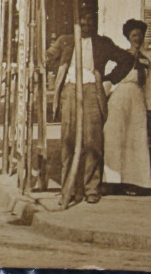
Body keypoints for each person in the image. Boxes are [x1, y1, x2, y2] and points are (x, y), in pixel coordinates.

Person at [44, 11, 134, 203]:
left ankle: (91, 188)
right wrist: (57, 70)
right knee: (69, 140)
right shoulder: (65, 41)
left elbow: (127, 59)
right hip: (70, 91)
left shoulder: (102, 43)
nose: (85, 28)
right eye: (81, 24)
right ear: (75, 24)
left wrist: (108, 79)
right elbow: (48, 58)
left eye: (89, 24)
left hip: (92, 91)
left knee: (92, 141)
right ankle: (69, 187)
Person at [103, 18, 151, 193]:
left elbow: (148, 86)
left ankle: (135, 182)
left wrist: (149, 108)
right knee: (115, 137)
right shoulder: (121, 56)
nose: (137, 38)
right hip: (120, 98)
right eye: (134, 35)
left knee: (136, 139)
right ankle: (112, 181)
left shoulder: (146, 61)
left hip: (138, 100)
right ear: (128, 37)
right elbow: (110, 80)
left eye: (140, 35)